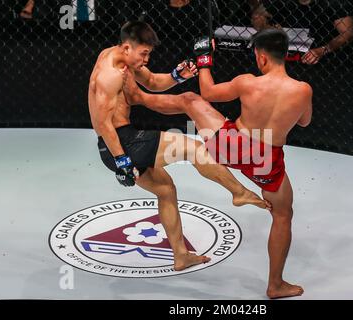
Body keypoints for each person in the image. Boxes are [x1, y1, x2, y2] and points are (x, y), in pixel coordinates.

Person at [123, 29, 312, 298]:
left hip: (230, 146)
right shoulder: (303, 90)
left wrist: (204, 59)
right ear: (286, 55)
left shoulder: (248, 83)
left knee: (190, 101)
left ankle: (139, 98)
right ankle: (276, 284)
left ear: (261, 59)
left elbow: (208, 92)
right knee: (282, 215)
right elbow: (304, 122)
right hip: (265, 160)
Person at [88, 20, 270, 272]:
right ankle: (238, 193)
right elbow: (102, 122)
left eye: (149, 54)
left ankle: (181, 256)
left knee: (166, 190)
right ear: (127, 48)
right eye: (144, 53)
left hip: (119, 143)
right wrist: (122, 161)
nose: (146, 59)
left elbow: (151, 82)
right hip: (122, 142)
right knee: (195, 149)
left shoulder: (124, 60)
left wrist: (177, 76)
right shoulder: (110, 73)